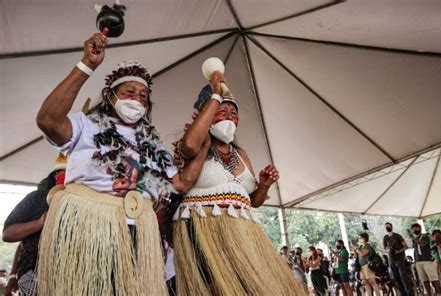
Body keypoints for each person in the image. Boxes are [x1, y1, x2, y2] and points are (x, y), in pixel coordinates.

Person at [35, 33, 209, 295]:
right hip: (89, 225)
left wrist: (204, 146)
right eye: (129, 92)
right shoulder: (86, 125)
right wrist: (87, 65)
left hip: (138, 230)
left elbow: (181, 183)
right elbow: (48, 120)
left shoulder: (154, 143)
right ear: (111, 96)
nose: (137, 100)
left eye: (143, 96)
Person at [170, 74, 306, 295]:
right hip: (202, 228)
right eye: (221, 112)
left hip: (241, 232)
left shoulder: (240, 153)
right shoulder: (194, 146)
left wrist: (263, 185)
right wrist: (213, 99)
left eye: (233, 113)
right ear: (206, 115)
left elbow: (253, 202)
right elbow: (189, 147)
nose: (229, 117)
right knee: (217, 288)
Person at [2, 154, 67, 295]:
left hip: (69, 278)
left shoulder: (88, 205)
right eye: (62, 173)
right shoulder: (36, 198)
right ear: (56, 176)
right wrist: (40, 223)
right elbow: (8, 234)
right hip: (32, 276)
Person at [409, 223, 441, 295]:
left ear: (420, 229)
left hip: (427, 260)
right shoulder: (414, 239)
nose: (415, 230)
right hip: (418, 261)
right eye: (414, 228)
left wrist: (413, 238)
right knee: (424, 280)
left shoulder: (425, 236)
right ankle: (429, 294)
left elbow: (422, 244)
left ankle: (439, 294)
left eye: (417, 228)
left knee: (434, 279)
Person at [383, 222, 413, 296]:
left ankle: (410, 294)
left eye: (388, 226)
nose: (387, 227)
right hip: (391, 260)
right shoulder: (385, 237)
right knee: (396, 279)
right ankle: (403, 294)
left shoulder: (397, 236)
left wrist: (398, 251)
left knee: (404, 277)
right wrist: (388, 250)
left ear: (391, 226)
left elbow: (405, 246)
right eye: (386, 227)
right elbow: (385, 249)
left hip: (399, 258)